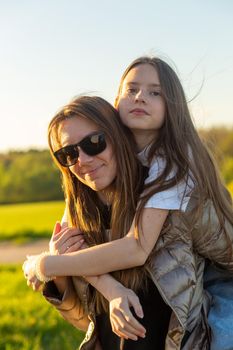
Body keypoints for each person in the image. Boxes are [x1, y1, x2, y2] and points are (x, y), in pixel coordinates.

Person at [23, 57, 233, 350]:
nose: (82, 160)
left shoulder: (170, 181)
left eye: (94, 143)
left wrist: (48, 263)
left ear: (117, 132)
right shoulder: (81, 209)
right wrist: (94, 284)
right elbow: (86, 320)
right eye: (68, 155)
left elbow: (137, 248)